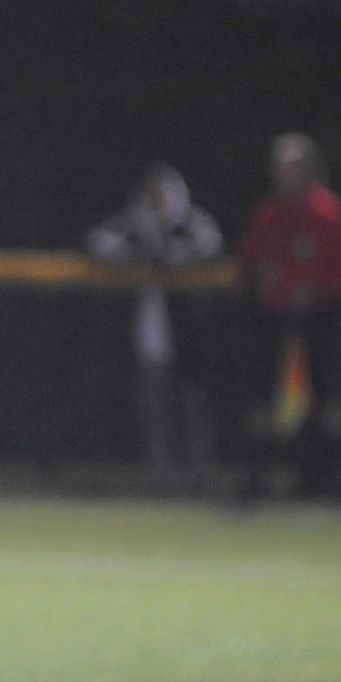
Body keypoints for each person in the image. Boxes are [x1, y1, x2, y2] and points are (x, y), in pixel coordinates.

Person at [86, 164, 224, 492]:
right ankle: (159, 478)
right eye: (151, 194)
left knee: (194, 408)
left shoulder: (190, 221)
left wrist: (171, 258)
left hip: (191, 333)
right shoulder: (136, 222)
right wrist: (137, 256)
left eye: (161, 194)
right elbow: (97, 242)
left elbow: (210, 246)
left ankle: (198, 477)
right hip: (150, 335)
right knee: (153, 409)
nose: (156, 200)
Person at [235, 132, 341, 502]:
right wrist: (261, 275)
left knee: (331, 401)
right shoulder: (269, 213)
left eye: (292, 168)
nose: (284, 175)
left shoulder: (328, 211)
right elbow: (248, 262)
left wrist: (316, 288)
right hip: (273, 319)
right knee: (264, 401)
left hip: (322, 319)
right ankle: (259, 480)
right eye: (281, 169)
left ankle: (334, 482)